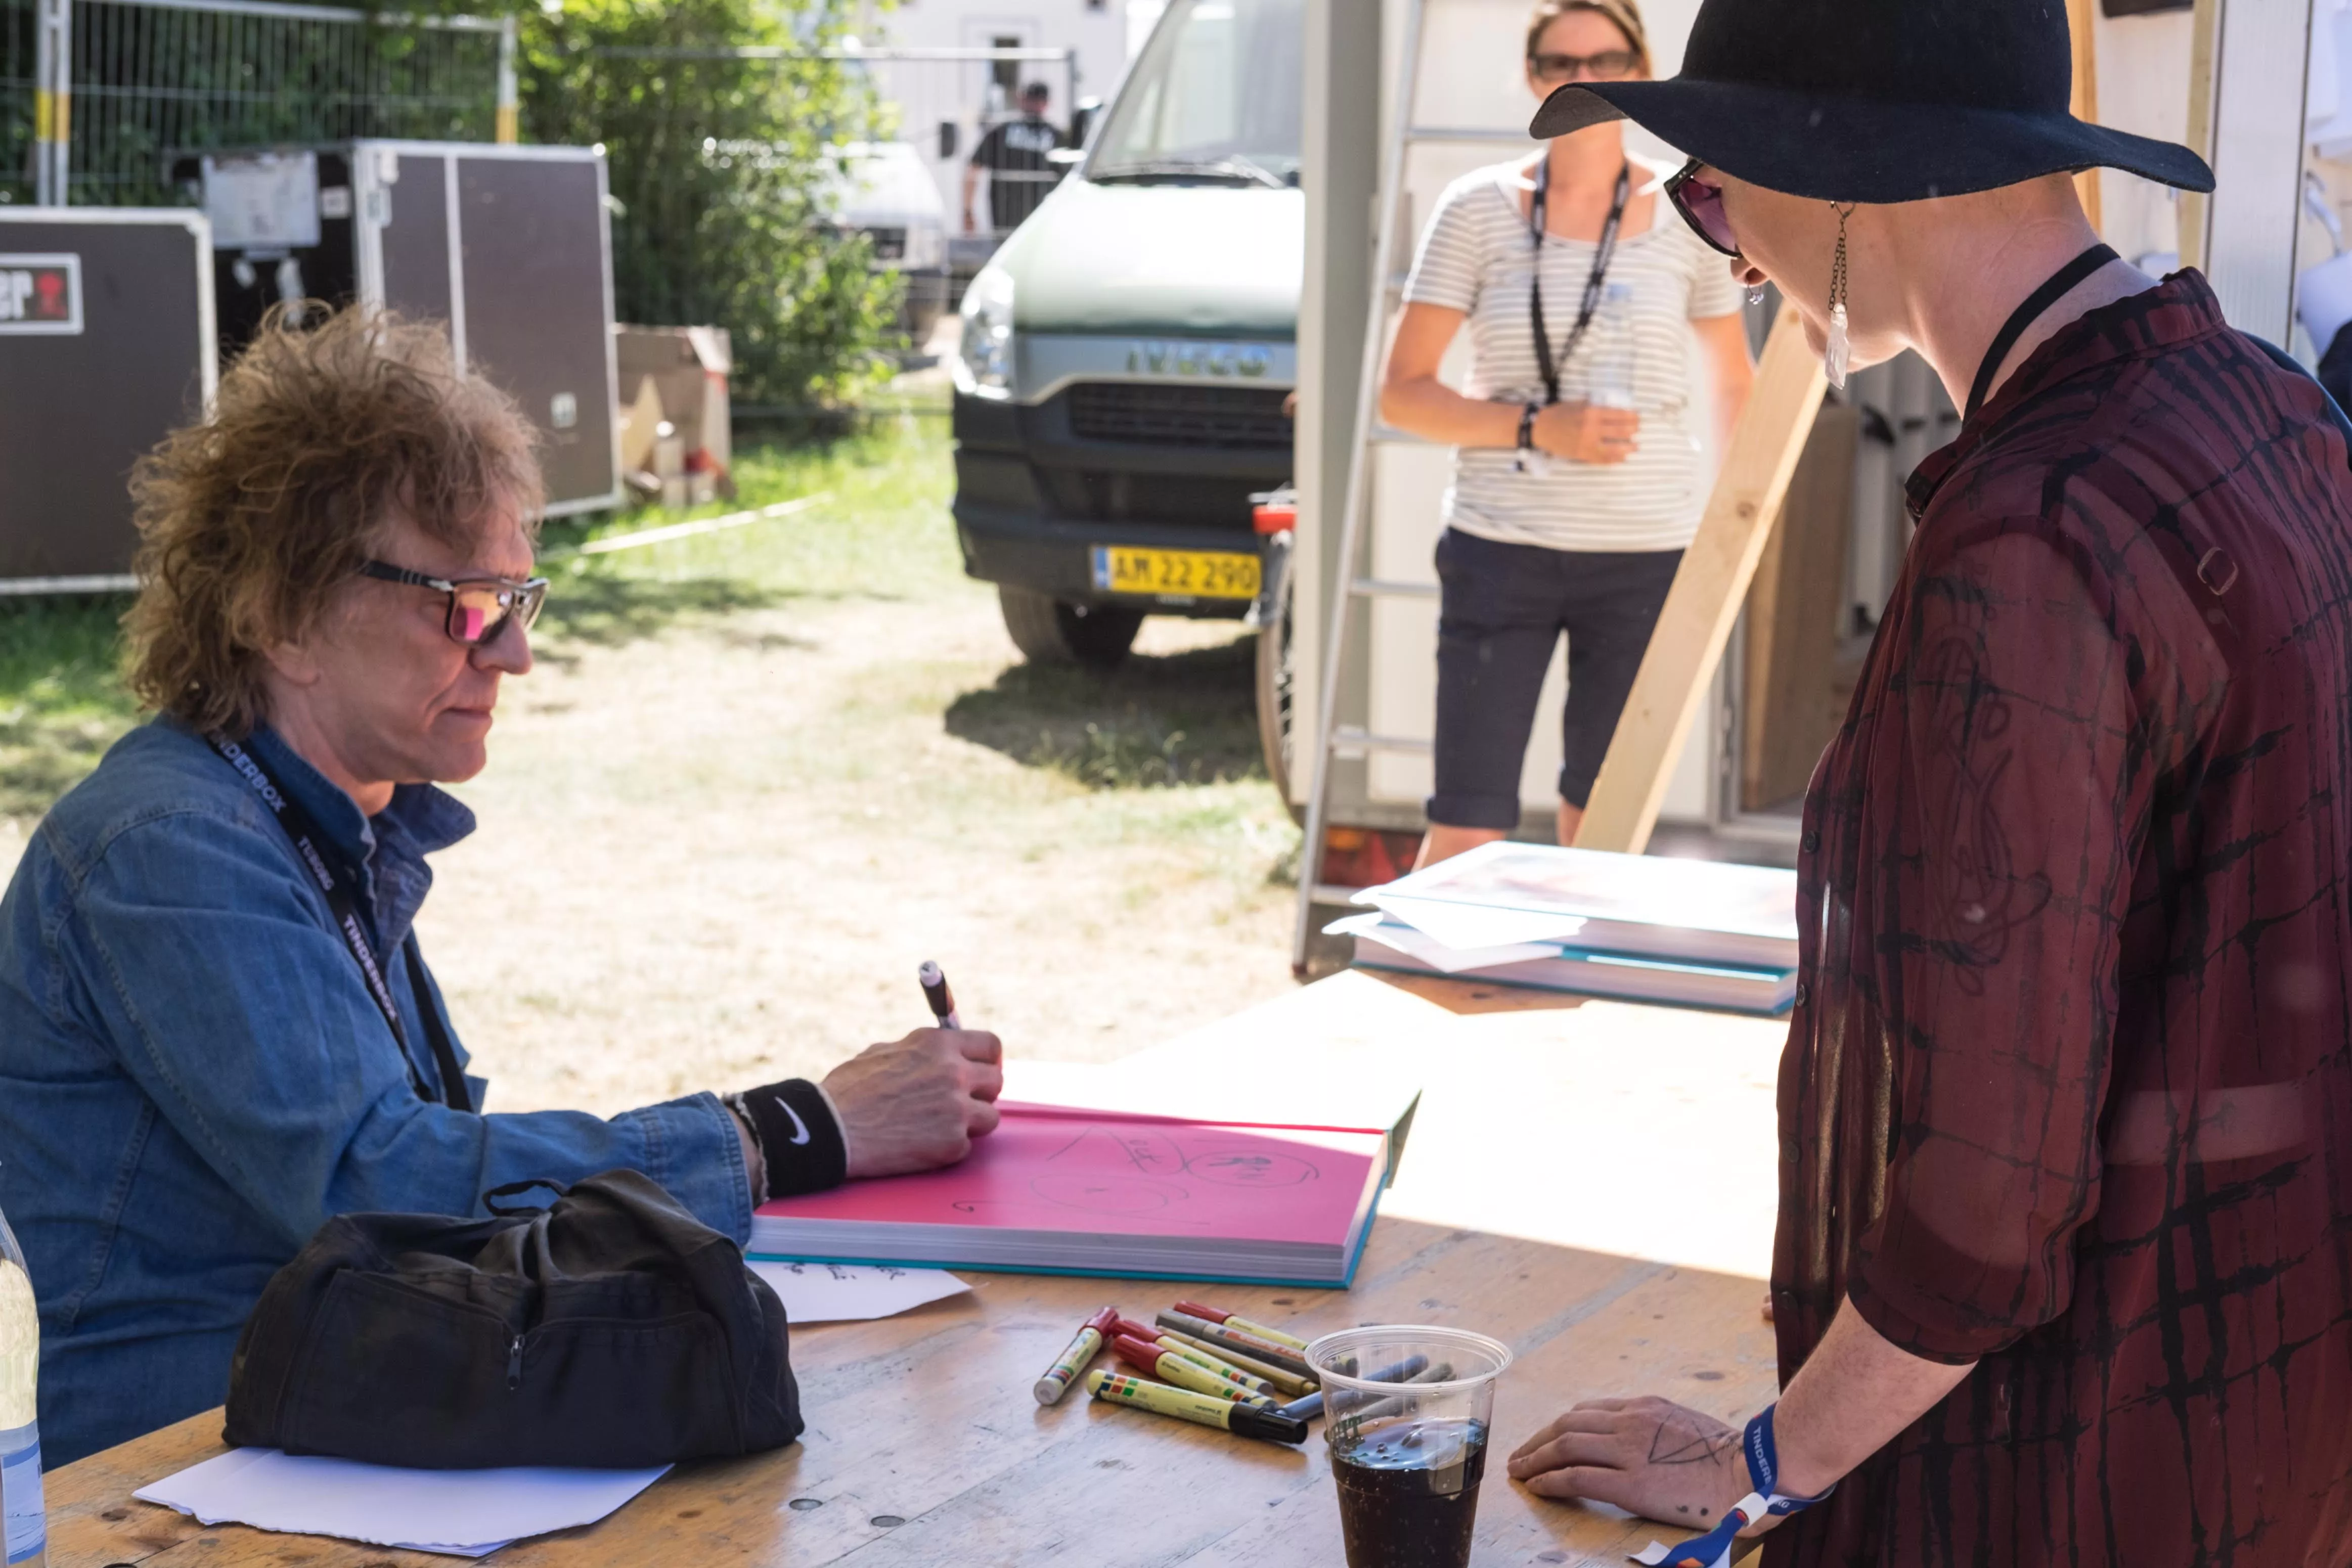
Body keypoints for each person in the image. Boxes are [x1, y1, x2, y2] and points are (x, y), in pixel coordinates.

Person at [1500, 0, 2352, 1561]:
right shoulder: (2258, 402)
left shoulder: (2030, 535)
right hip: (2264, 1419)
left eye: (1713, 186)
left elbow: (1987, 1181)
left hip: (2073, 1469)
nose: (1719, 239)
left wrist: (1763, 1461)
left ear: (1848, 181)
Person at [0, 308, 1007, 1468]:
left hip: (296, 1431)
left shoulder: (321, 821)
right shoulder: (167, 846)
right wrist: (788, 1132)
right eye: (464, 608)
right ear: (283, 617)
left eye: (518, 603)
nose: (513, 655)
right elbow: (385, 1191)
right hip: (150, 1480)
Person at [1381, 0, 1754, 866]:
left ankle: (1576, 1004)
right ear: (1533, 78)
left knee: (1606, 830)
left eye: (1608, 57)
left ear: (1643, 63)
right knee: (1468, 829)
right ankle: (1442, 994)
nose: (1585, 77)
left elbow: (1734, 383)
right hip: (1499, 550)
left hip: (1646, 556)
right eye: (1560, 62)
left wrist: (1739, 533)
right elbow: (1403, 394)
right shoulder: (1476, 208)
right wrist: (1535, 426)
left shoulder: (1693, 202)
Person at [963, 82, 1066, 236]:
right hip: (1039, 220)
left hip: (1011, 221)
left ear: (1022, 100)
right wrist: (968, 211)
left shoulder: (1002, 130)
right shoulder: (1057, 136)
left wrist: (968, 210)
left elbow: (973, 171)